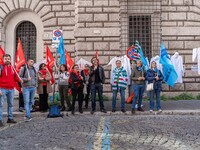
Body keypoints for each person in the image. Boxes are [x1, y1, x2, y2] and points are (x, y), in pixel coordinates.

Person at [0, 54, 22, 127]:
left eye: (8, 59)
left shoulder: (12, 68)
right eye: (6, 59)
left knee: (11, 104)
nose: (7, 60)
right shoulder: (1, 67)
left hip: (11, 89)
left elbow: (15, 77)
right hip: (2, 88)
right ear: (3, 59)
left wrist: (19, 80)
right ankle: (0, 120)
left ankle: (10, 118)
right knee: (1, 105)